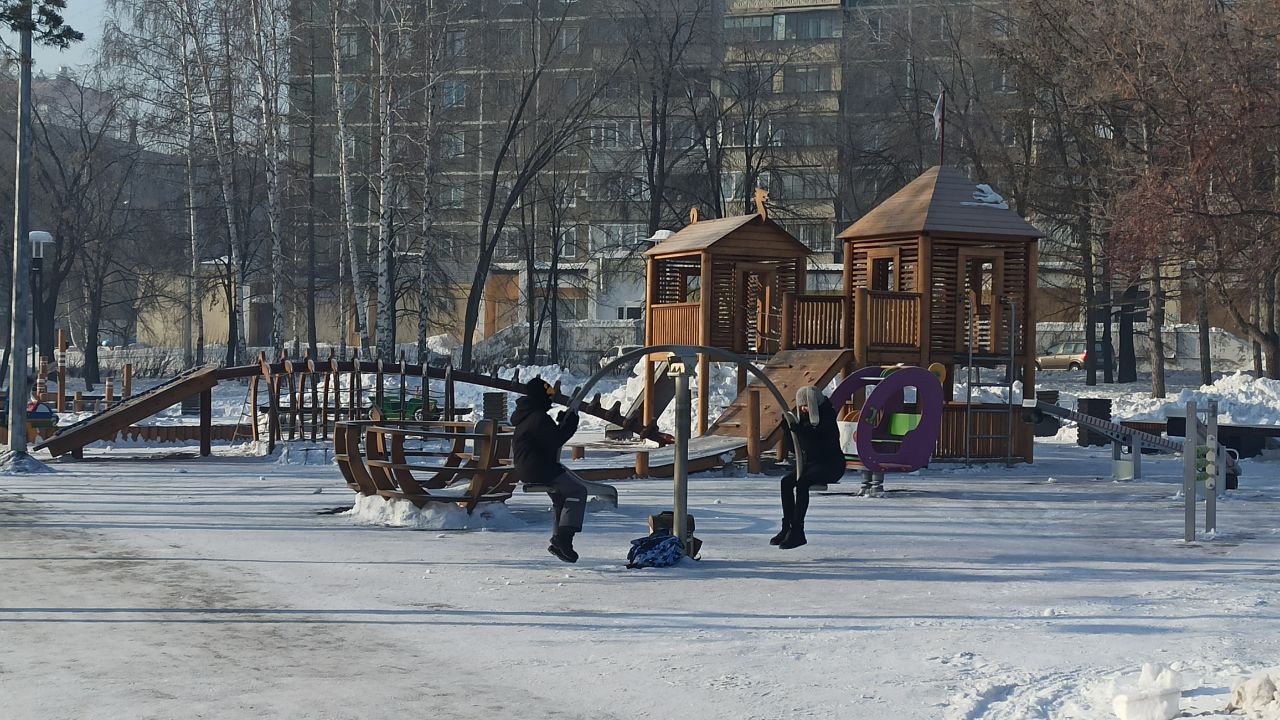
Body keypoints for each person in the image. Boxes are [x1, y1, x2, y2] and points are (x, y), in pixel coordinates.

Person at [511, 377, 586, 563]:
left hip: (531, 466)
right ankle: (564, 539)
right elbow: (555, 440)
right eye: (549, 397)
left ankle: (558, 541)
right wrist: (570, 422)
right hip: (538, 468)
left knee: (562, 496)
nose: (551, 401)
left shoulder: (528, 415)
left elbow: (549, 437)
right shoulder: (537, 417)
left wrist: (562, 423)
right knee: (578, 491)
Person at [772, 385, 845, 549]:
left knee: (802, 483)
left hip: (830, 465)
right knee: (786, 482)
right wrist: (788, 431)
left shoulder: (826, 418)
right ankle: (787, 527)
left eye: (806, 405)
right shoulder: (805, 417)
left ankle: (798, 530)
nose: (803, 409)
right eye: (801, 406)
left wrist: (800, 432)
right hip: (811, 463)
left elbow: (815, 446)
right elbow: (797, 448)